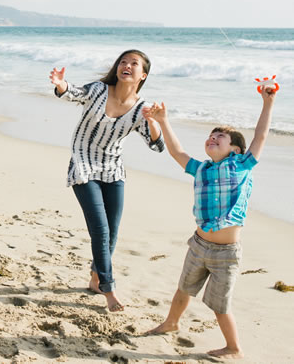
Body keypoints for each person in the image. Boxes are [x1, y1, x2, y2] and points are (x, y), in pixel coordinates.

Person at [143, 85, 276, 359]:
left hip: (226, 254)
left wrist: (267, 104)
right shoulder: (201, 168)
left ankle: (233, 347)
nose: (212, 138)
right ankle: (171, 322)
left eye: (220, 137)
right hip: (199, 244)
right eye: (210, 135)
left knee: (220, 304)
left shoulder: (241, 165)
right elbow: (176, 151)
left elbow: (261, 135)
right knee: (184, 289)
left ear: (236, 149)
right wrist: (163, 121)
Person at [50, 49, 164, 311]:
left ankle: (95, 278)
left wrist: (154, 121)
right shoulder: (100, 90)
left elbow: (157, 146)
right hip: (83, 166)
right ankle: (108, 289)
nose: (126, 66)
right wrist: (60, 84)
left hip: (113, 171)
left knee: (111, 232)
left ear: (142, 75)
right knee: (100, 230)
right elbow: (73, 92)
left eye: (134, 63)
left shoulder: (141, 108)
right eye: (123, 61)